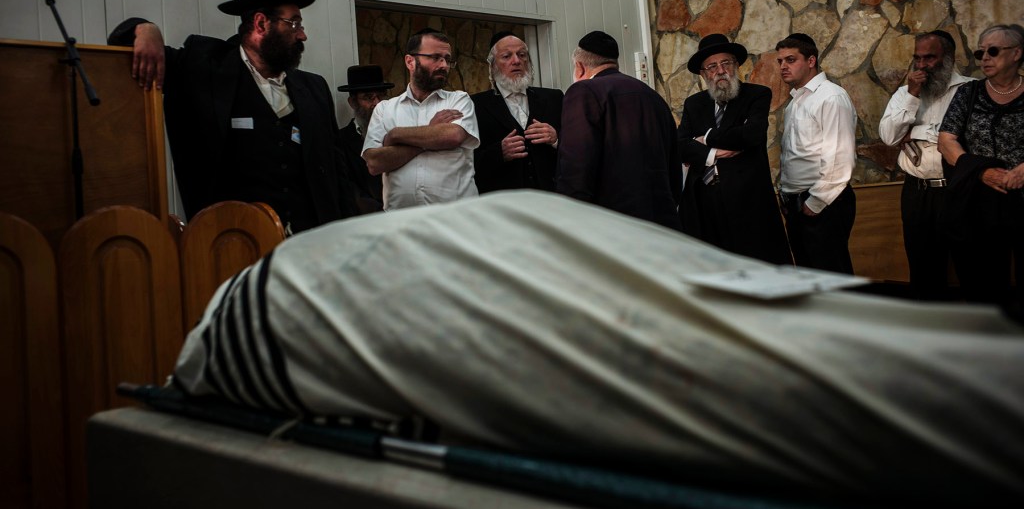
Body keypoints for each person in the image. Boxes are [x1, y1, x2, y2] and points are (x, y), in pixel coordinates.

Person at [174, 190, 1024, 506]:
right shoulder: (277, 301)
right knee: (736, 337)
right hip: (459, 266)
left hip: (503, 243)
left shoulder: (292, 277)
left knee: (726, 306)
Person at [107, 0, 356, 233]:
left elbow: (337, 170)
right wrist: (146, 29)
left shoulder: (313, 88)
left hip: (310, 242)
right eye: (293, 23)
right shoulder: (204, 70)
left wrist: (350, 230)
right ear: (261, 24)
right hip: (232, 240)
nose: (302, 34)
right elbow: (121, 45)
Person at [678, 34, 790, 264]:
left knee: (756, 266)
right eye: (712, 66)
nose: (720, 71)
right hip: (704, 201)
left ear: (736, 66)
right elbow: (680, 146)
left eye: (726, 63)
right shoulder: (694, 104)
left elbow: (751, 135)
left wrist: (705, 138)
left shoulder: (756, 95)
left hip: (747, 201)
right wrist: (713, 153)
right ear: (704, 74)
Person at [879, 31, 973, 298]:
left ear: (948, 57)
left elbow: (962, 140)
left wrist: (917, 133)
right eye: (917, 58)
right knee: (922, 267)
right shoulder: (904, 93)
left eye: (929, 58)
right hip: (916, 191)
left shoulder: (970, 89)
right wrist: (912, 94)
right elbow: (888, 136)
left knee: (970, 264)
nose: (921, 66)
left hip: (958, 191)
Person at [556, 31, 680, 229]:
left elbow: (577, 165)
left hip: (611, 226)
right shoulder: (653, 97)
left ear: (579, 67)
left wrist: (569, 219)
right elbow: (673, 164)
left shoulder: (584, 92)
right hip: (661, 223)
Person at [938, 24, 1024, 309]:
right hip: (981, 201)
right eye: (980, 52)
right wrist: (980, 172)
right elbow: (946, 140)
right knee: (985, 282)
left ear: (1017, 54)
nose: (985, 57)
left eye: (994, 51)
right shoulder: (968, 93)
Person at [362, 29, 480, 210]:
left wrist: (396, 135)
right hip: (401, 222)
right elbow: (375, 163)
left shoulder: (458, 100)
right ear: (410, 61)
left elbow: (452, 136)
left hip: (455, 220)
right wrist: (431, 131)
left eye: (447, 59)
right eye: (435, 57)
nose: (444, 65)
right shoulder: (385, 109)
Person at [776, 33, 857, 274]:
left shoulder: (830, 96)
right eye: (780, 61)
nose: (783, 67)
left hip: (823, 204)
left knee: (832, 278)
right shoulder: (796, 102)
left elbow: (840, 156)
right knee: (809, 277)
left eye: (790, 60)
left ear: (811, 61)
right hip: (799, 204)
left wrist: (816, 202)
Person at [471, 32, 563, 193]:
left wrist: (556, 139)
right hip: (502, 203)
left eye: (522, 55)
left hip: (551, 199)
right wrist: (498, 153)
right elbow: (466, 160)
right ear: (493, 66)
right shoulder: (474, 105)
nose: (516, 61)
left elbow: (577, 148)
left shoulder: (554, 98)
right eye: (507, 56)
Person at [337, 65, 393, 214]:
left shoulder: (398, 131)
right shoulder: (339, 141)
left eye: (381, 96)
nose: (376, 103)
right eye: (368, 98)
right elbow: (350, 191)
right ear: (352, 102)